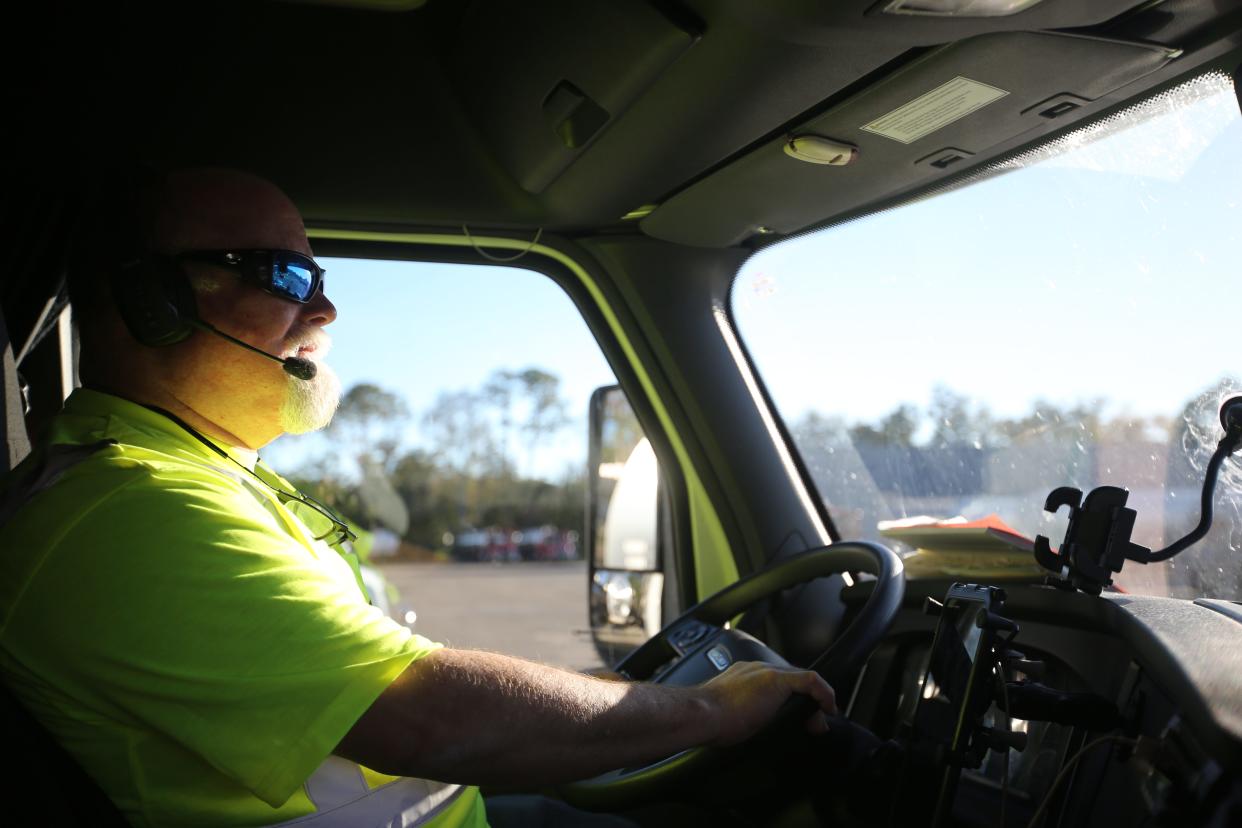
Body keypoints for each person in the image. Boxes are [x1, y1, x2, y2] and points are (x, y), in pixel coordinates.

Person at [0, 168, 837, 827]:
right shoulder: (129, 511)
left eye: (318, 274)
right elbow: (431, 719)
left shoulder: (197, 474)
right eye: (284, 275)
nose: (325, 306)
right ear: (151, 304)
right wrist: (709, 713)